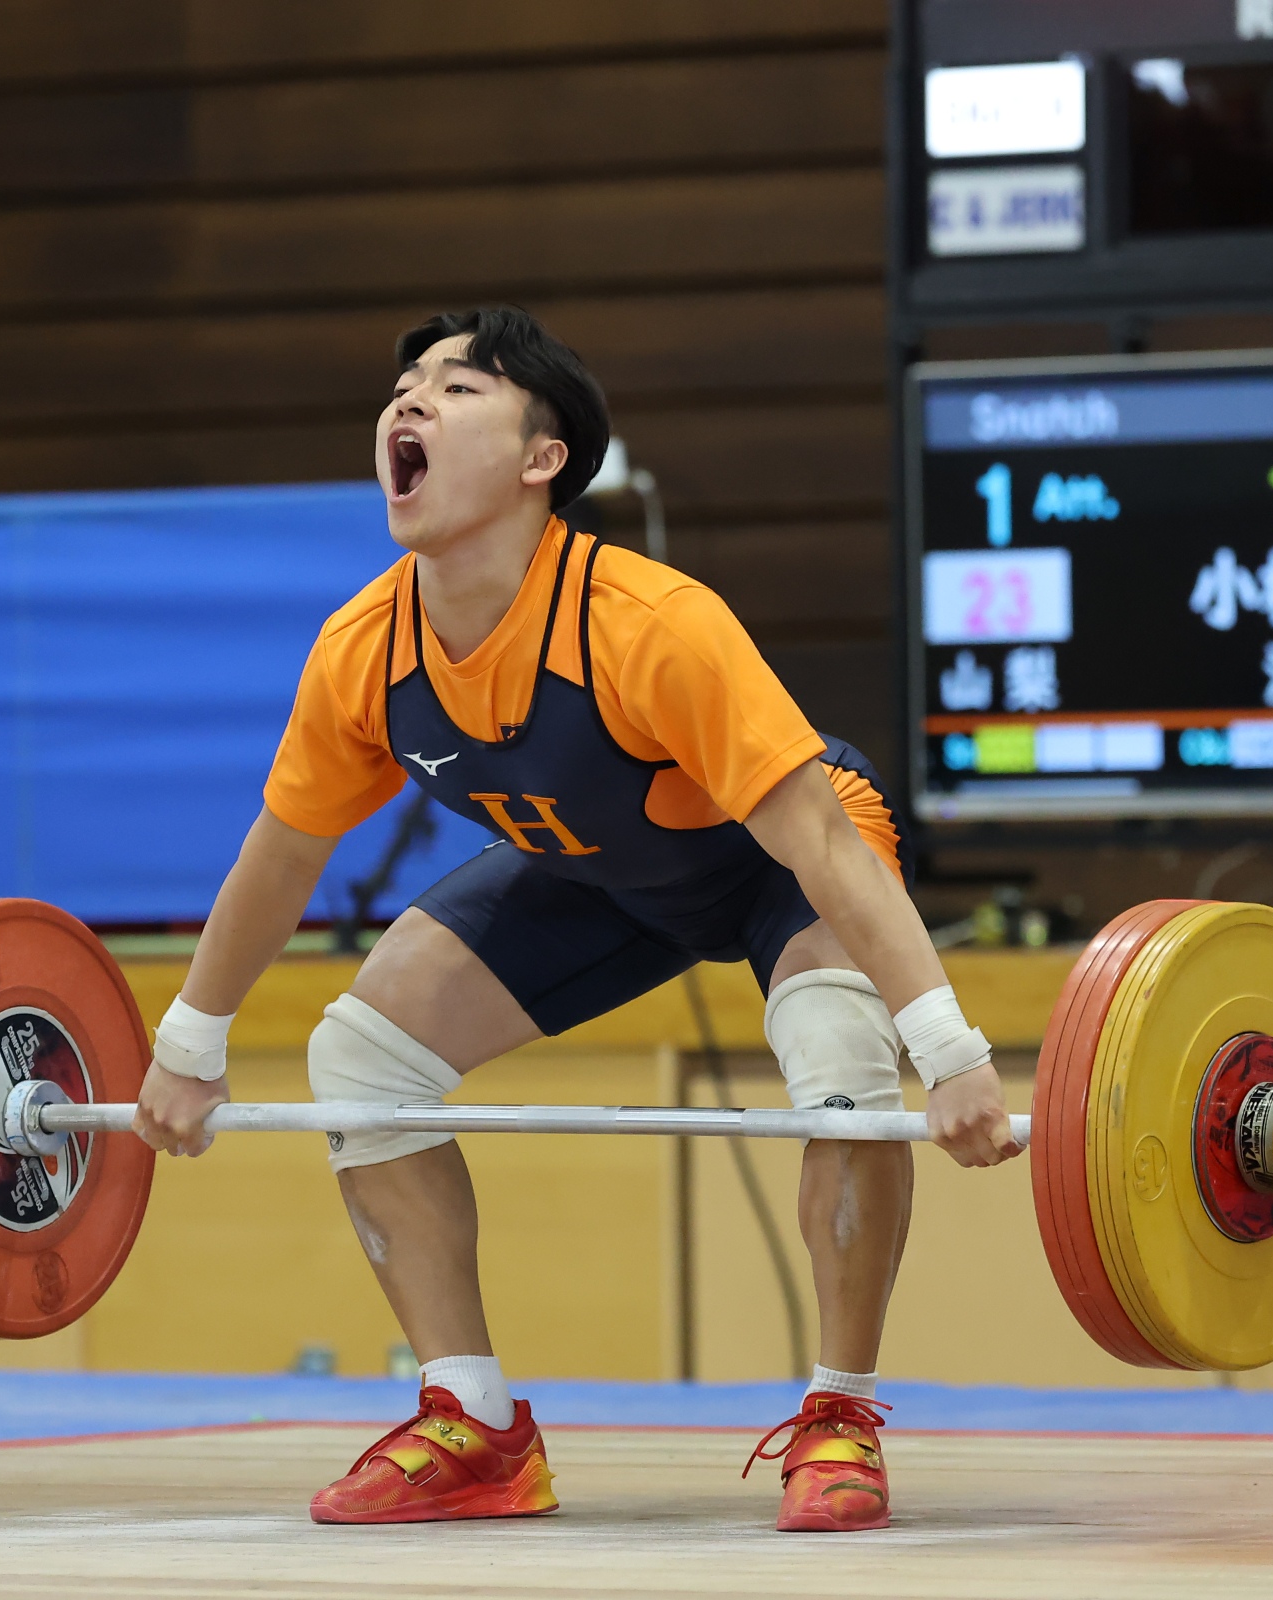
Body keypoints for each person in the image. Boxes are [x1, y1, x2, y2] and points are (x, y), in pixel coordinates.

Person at [134, 306, 1020, 1533]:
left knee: (839, 1059)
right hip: (600, 876)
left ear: (542, 458)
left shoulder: (647, 622)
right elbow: (283, 855)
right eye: (406, 385)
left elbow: (816, 842)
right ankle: (473, 1423)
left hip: (779, 861)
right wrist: (189, 1043)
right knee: (361, 1055)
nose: (411, 400)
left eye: (458, 387)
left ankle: (840, 1413)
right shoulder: (363, 651)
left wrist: (952, 1053)